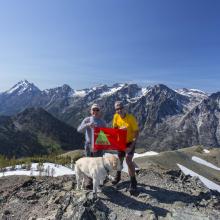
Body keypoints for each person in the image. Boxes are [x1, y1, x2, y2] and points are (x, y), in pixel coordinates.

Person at [112, 101, 139, 193]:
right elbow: (114, 129)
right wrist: (119, 130)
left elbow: (136, 133)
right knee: (120, 159)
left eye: (120, 108)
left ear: (124, 108)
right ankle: (118, 176)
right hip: (121, 142)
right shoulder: (116, 117)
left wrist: (131, 146)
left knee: (128, 160)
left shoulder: (130, 118)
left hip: (130, 142)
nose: (119, 110)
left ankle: (133, 182)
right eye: (117, 109)